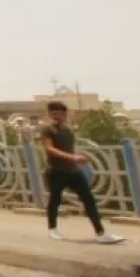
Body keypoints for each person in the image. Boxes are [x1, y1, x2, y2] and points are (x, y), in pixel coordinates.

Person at [39, 101, 124, 243]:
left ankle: (100, 233)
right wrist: (73, 157)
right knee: (55, 200)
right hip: (56, 171)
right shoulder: (47, 130)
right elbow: (49, 149)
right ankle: (52, 229)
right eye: (53, 114)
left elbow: (69, 147)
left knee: (89, 199)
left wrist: (76, 158)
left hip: (73, 171)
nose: (56, 117)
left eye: (59, 114)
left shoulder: (68, 130)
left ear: (64, 115)